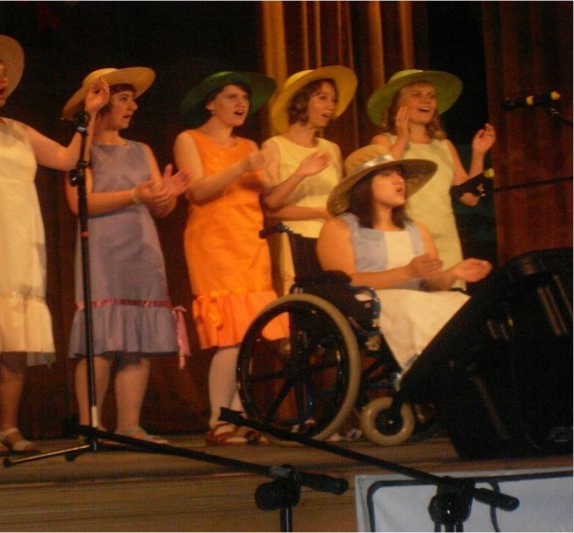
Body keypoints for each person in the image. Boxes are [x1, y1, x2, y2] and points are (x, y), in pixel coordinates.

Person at [0, 35, 108, 456]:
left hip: (16, 233)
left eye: (1, 75)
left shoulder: (17, 130)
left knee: (14, 333)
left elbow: (68, 159)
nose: (0, 80)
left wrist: (89, 115)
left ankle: (8, 424)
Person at [61, 67, 190, 442]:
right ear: (101, 104)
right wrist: (136, 194)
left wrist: (167, 195)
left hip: (142, 249)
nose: (132, 106)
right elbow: (80, 203)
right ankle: (91, 426)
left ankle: (129, 426)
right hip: (104, 250)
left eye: (133, 99)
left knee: (138, 338)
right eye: (123, 98)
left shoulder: (141, 149)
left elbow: (158, 206)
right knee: (102, 338)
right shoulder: (82, 148)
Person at [173, 71, 288, 445]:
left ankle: (240, 416)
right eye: (231, 97)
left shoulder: (249, 145)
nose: (241, 104)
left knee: (248, 336)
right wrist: (241, 166)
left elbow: (271, 197)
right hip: (214, 246)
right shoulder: (189, 139)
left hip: (250, 244)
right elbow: (199, 191)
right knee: (230, 336)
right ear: (210, 103)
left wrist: (297, 172)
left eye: (244, 98)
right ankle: (219, 420)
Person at [317, 144, 493, 373]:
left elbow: (431, 284)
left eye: (400, 174)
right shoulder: (340, 227)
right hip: (368, 305)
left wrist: (453, 273)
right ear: (364, 185)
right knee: (412, 306)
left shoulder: (417, 229)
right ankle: (424, 372)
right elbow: (345, 282)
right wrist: (407, 272)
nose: (399, 180)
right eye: (387, 174)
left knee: (462, 304)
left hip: (417, 299)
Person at [367, 70, 496, 283]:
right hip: (404, 237)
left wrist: (478, 154)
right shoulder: (383, 141)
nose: (426, 100)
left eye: (431, 95)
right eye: (417, 94)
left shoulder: (444, 146)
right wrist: (402, 138)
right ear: (398, 104)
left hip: (446, 242)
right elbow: (382, 180)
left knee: (450, 299)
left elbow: (469, 198)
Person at [260, 66, 358, 295]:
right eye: (322, 98)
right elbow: (271, 205)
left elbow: (338, 201)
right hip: (296, 243)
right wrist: (301, 174)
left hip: (332, 241)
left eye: (333, 100)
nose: (330, 106)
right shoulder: (275, 146)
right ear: (301, 101)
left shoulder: (331, 149)